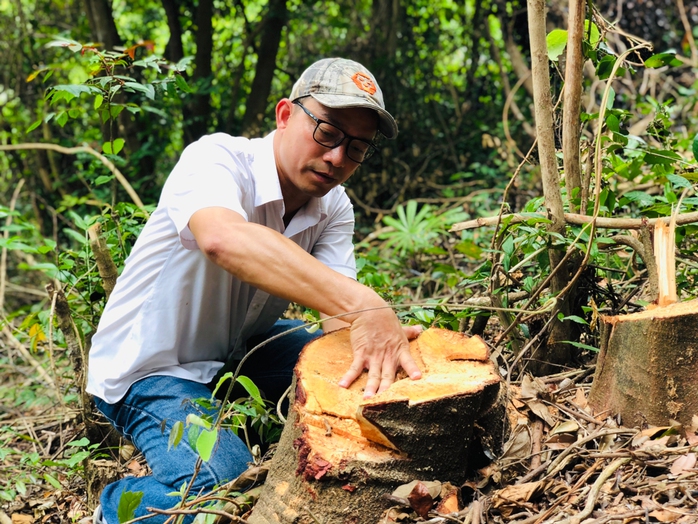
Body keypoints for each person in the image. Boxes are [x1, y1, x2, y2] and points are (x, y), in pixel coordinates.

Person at [85, 57, 422, 524]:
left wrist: (378, 337)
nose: (338, 158)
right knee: (223, 484)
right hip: (151, 368)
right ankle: (118, 508)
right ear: (285, 115)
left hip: (237, 351)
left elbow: (338, 317)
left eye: (357, 147)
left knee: (361, 367)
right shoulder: (216, 159)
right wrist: (364, 303)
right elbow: (223, 238)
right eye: (327, 131)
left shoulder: (333, 204)